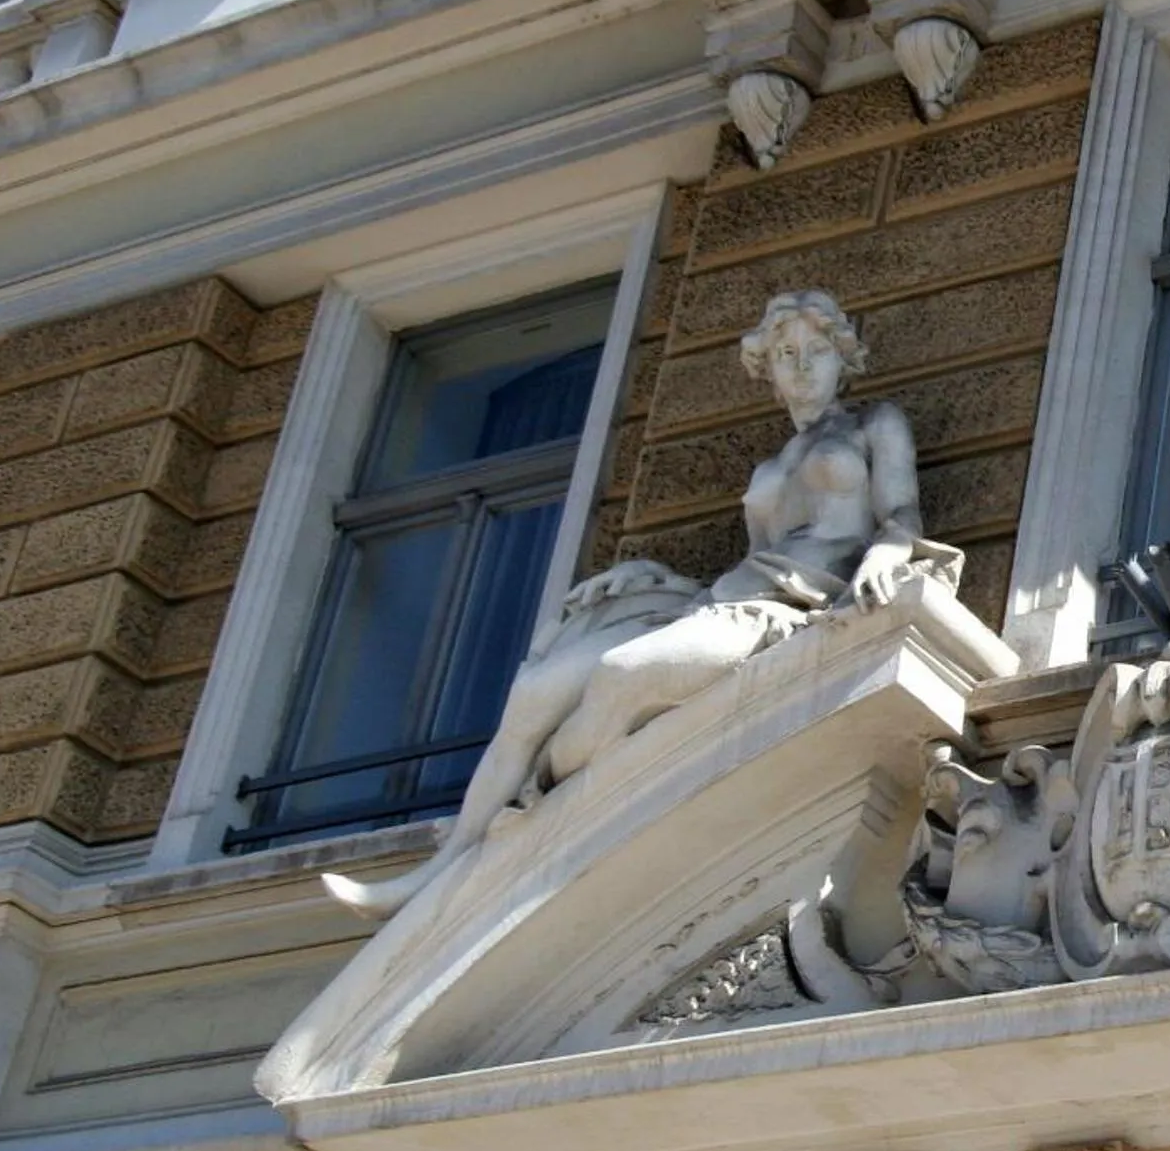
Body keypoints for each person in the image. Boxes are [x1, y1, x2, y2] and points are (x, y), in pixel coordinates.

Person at [325, 288, 958, 917]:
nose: (801, 366)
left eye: (815, 351)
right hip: (726, 602)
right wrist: (654, 574)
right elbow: (754, 561)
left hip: (792, 609)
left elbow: (900, 512)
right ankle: (444, 868)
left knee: (620, 675)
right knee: (536, 691)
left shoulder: (875, 424)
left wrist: (887, 553)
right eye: (786, 353)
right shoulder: (773, 461)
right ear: (768, 368)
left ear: (841, 356)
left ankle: (530, 824)